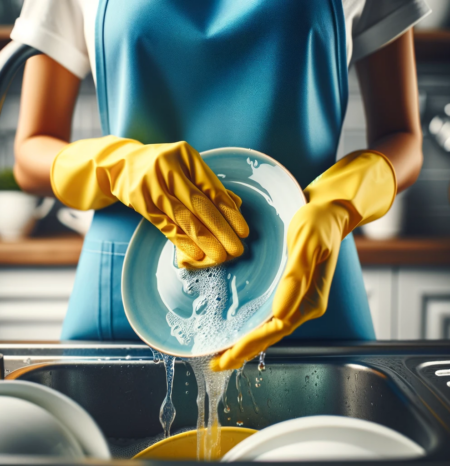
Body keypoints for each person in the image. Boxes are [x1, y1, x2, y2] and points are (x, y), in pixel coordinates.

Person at [11, 0, 429, 370]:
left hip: (305, 282)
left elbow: (403, 137)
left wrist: (341, 202)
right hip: (128, 297)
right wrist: (113, 166)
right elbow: (29, 153)